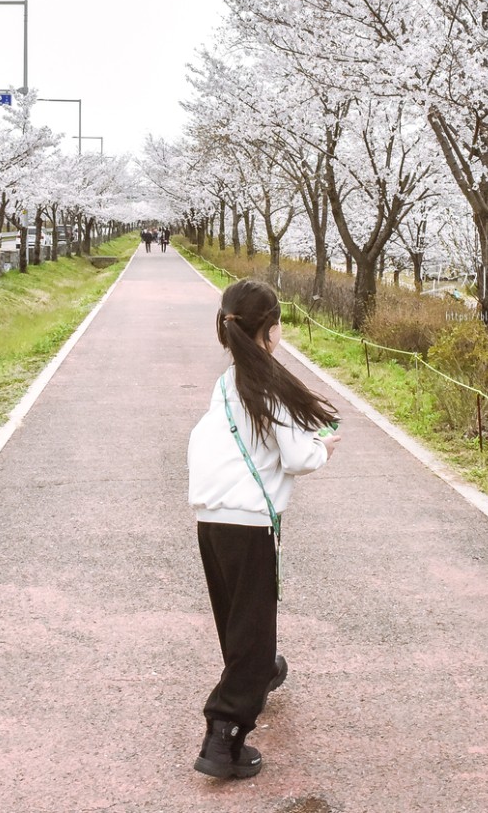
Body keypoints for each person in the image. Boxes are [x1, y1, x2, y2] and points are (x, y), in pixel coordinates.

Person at [187, 279, 341, 779]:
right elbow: (297, 457)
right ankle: (223, 737)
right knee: (251, 632)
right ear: (271, 330)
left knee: (238, 618)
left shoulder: (229, 380)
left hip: (211, 517)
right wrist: (324, 449)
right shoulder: (269, 383)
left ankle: (262, 671)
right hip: (248, 521)